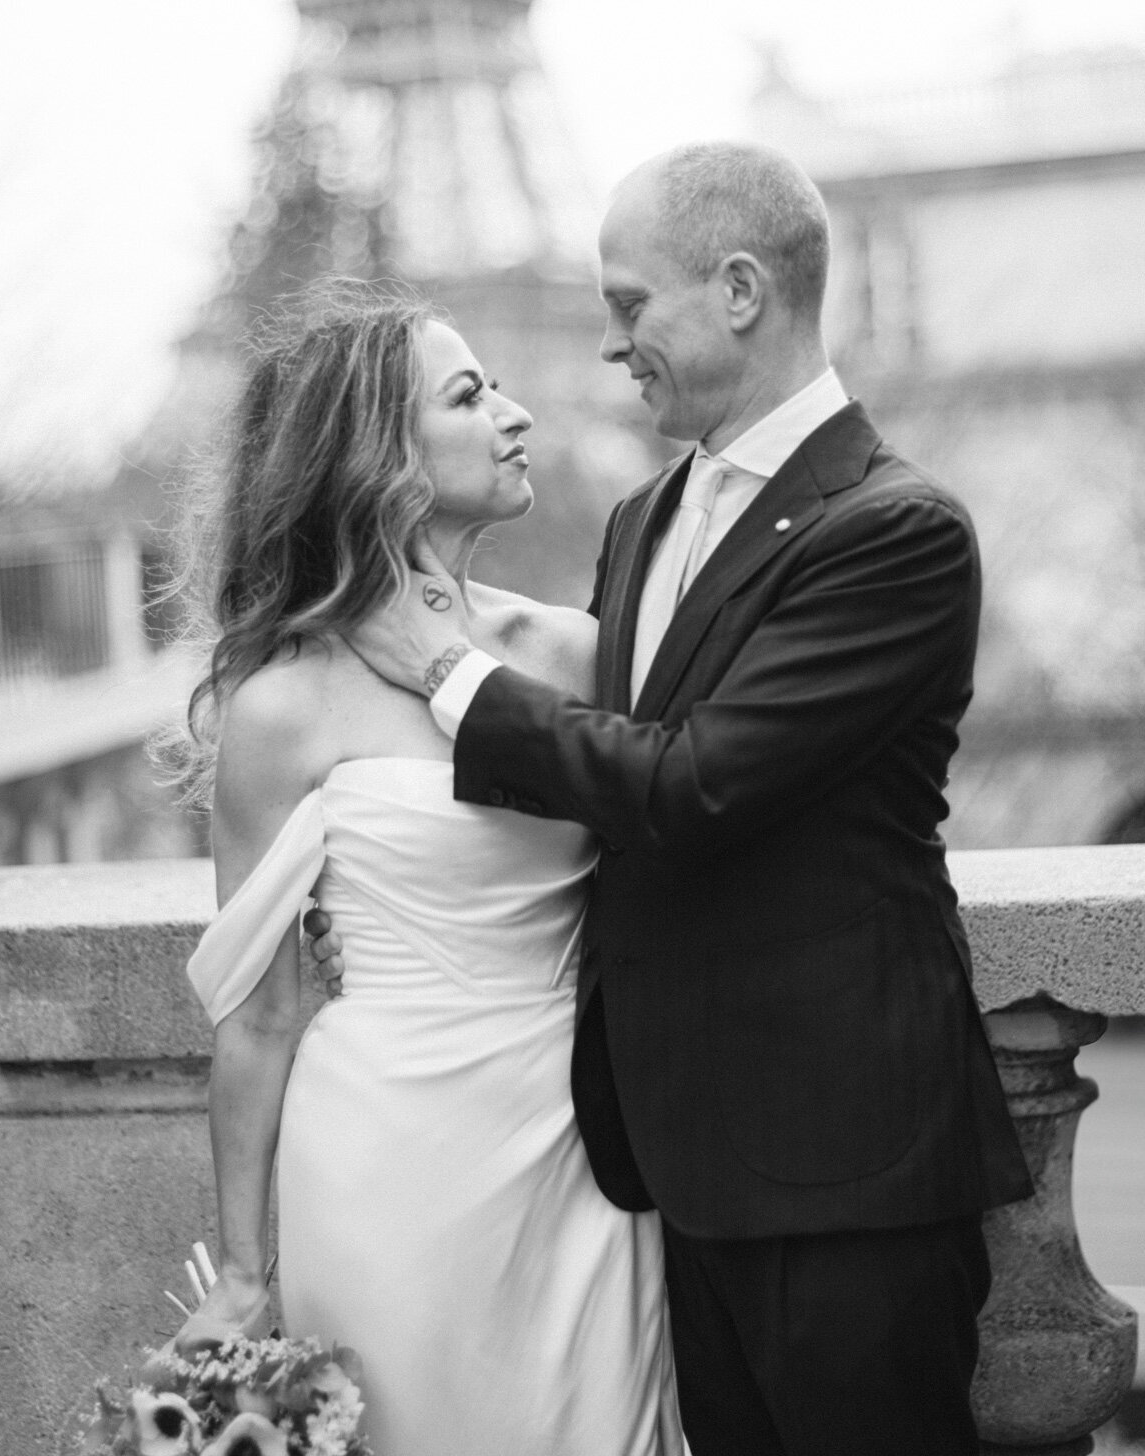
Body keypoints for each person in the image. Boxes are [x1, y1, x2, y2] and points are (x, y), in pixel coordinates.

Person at [315, 144, 1034, 1456]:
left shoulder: (894, 532)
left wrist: (448, 677)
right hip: (669, 1176)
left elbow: (693, 786)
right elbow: (596, 773)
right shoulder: (644, 518)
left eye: (631, 305)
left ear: (743, 289)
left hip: (845, 1182)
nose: (608, 346)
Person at [173, 286, 684, 1456]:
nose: (515, 415)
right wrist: (246, 1272)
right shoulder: (279, 707)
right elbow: (256, 1023)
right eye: (470, 395)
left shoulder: (581, 650)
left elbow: (675, 839)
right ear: (378, 457)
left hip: (583, 1151)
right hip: (380, 1156)